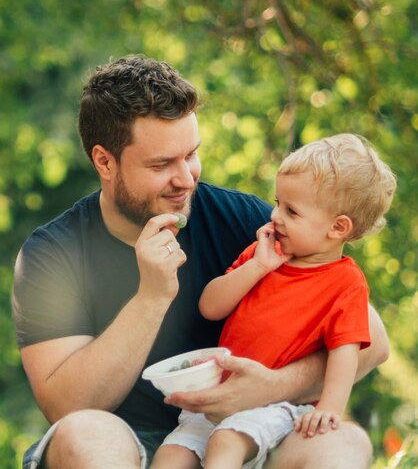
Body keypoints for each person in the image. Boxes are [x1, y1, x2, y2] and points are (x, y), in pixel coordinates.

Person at [12, 55, 390, 469]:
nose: (187, 178)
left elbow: (373, 344)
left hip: (244, 434)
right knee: (86, 435)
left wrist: (273, 386)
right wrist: (152, 297)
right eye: (161, 164)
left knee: (341, 444)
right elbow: (68, 407)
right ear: (105, 161)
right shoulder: (52, 254)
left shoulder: (247, 220)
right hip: (125, 448)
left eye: (191, 154)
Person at [150, 134, 396, 469]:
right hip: (218, 399)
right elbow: (211, 307)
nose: (275, 216)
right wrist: (258, 267)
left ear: (337, 227)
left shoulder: (345, 283)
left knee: (225, 445)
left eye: (291, 211)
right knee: (171, 455)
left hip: (275, 407)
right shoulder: (263, 254)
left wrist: (330, 408)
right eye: (278, 202)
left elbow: (344, 353)